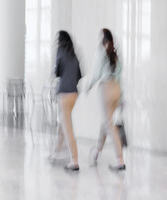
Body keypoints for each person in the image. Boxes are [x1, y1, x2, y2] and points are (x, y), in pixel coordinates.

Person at [86, 28, 126, 171]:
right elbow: (120, 76)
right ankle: (97, 151)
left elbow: (96, 73)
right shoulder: (115, 55)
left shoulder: (100, 51)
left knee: (109, 125)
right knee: (106, 122)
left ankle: (120, 160)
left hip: (106, 88)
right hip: (116, 89)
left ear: (102, 40)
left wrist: (88, 86)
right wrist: (122, 98)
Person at [50, 30, 82, 171]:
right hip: (74, 93)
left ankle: (74, 161)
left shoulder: (60, 50)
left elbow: (57, 71)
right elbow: (80, 75)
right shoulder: (74, 53)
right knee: (63, 124)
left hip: (64, 93)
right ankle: (56, 151)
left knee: (67, 127)